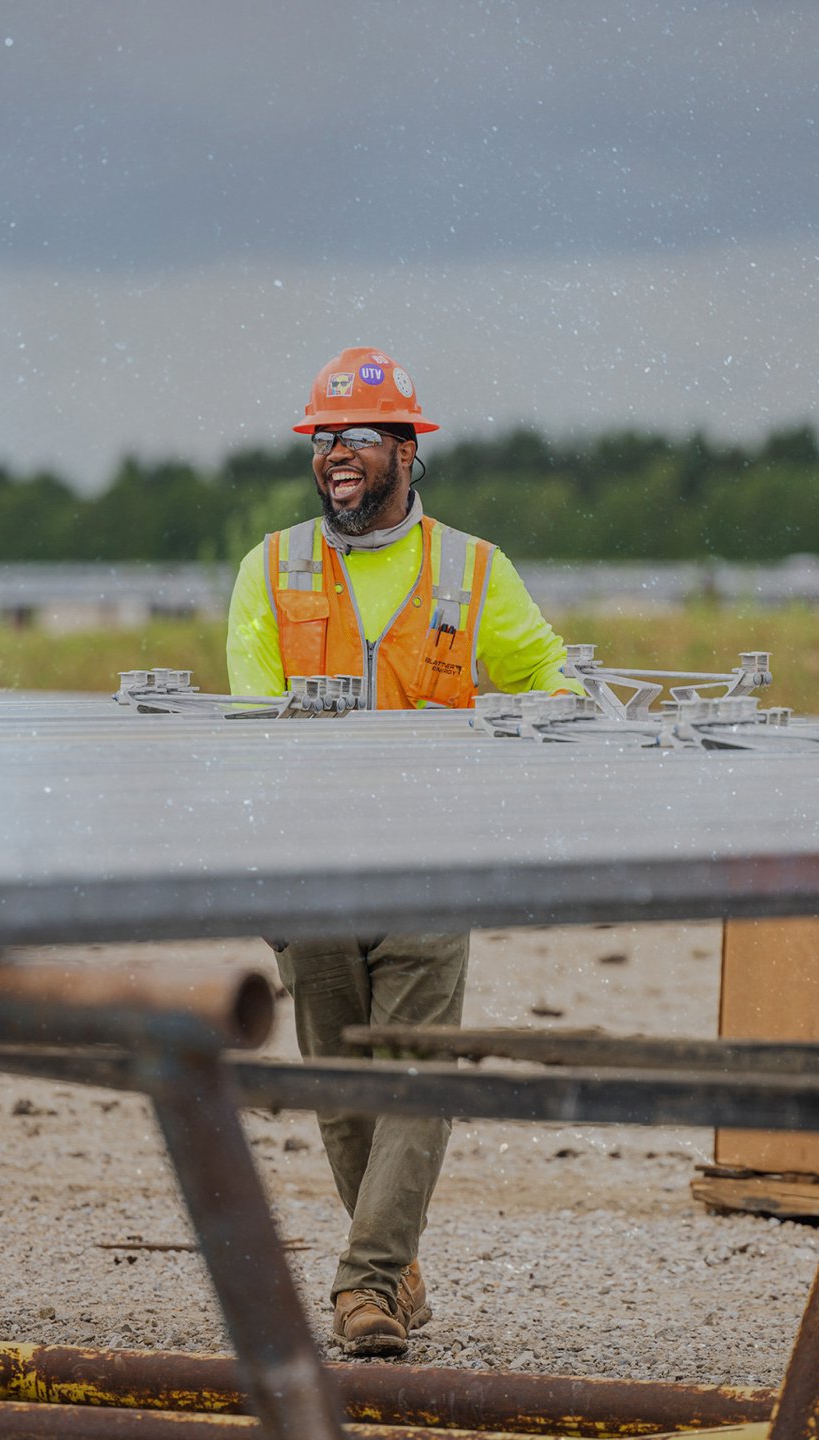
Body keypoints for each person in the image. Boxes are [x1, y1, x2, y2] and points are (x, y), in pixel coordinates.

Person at [226, 346, 582, 1357]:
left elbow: (547, 674)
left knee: (417, 1078)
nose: (336, 455)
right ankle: (392, 1261)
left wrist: (555, 725)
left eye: (358, 438)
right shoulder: (273, 567)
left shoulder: (474, 570)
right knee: (343, 1088)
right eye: (324, 439)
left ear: (406, 450)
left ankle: (365, 1284)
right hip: (316, 866)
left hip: (434, 856)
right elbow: (252, 725)